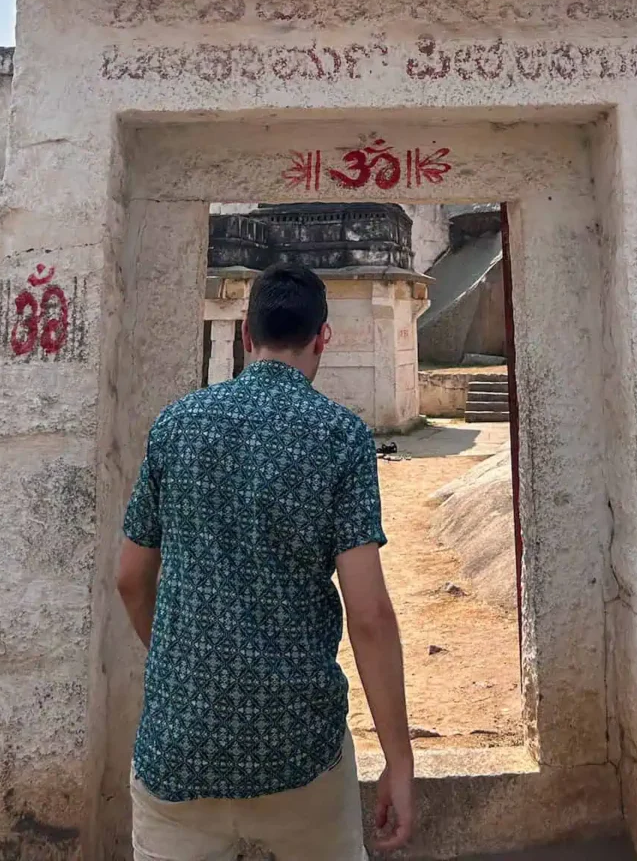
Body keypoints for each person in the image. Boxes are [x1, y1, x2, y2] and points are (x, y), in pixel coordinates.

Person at [117, 262, 414, 861]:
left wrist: (188, 671)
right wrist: (399, 761)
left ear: (247, 336)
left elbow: (129, 578)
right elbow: (370, 616)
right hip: (296, 747)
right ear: (322, 337)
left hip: (180, 744)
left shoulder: (176, 426)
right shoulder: (340, 436)